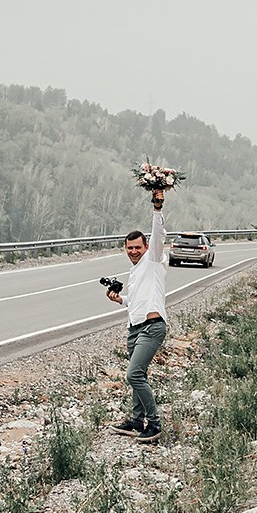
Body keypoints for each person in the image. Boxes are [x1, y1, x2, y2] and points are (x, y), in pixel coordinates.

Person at [106, 188, 168, 444]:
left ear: (146, 247)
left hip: (152, 327)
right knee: (138, 375)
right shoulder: (135, 271)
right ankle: (135, 420)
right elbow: (138, 301)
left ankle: (154, 425)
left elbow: (158, 235)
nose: (133, 251)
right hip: (135, 327)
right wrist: (120, 299)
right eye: (129, 248)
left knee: (133, 375)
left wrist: (157, 208)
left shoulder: (153, 260)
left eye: (137, 247)